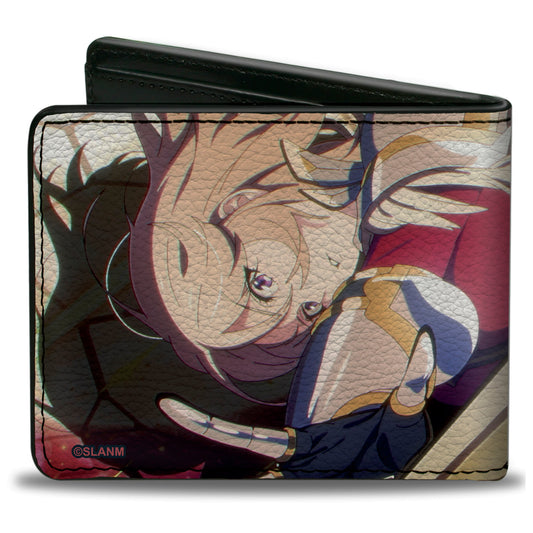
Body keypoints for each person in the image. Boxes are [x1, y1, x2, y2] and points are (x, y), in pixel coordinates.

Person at [125, 111, 510, 478]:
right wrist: (350, 415)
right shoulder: (397, 256)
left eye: (262, 284)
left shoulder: (392, 151)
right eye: (310, 309)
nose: (324, 290)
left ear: (237, 205)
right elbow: (416, 305)